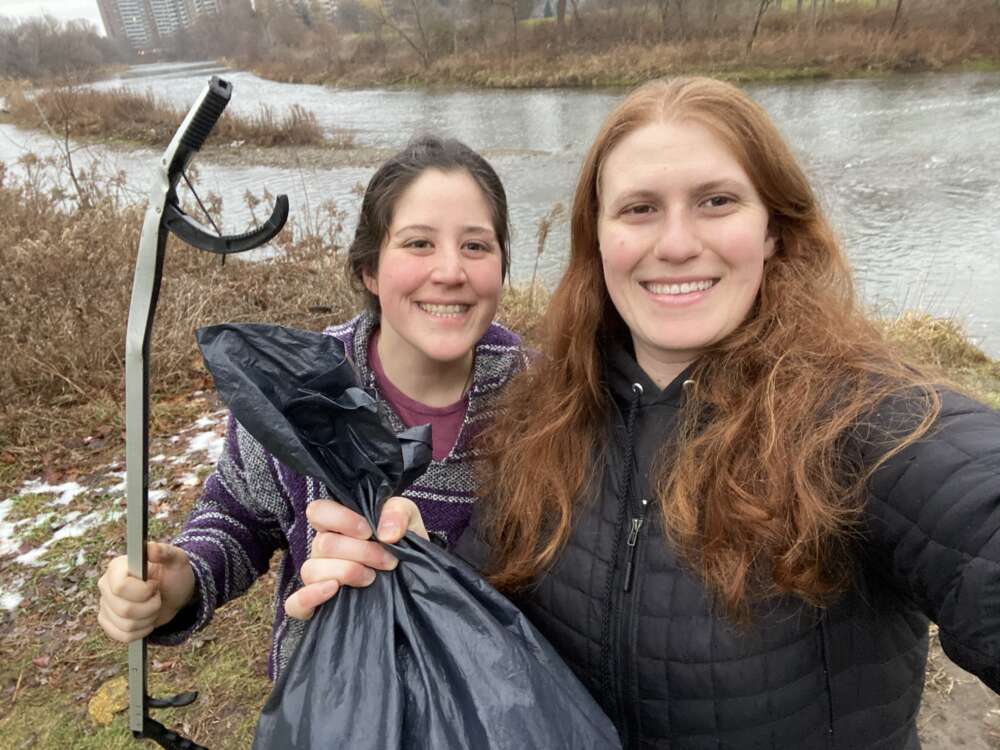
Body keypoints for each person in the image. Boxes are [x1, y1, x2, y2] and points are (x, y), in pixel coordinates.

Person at [304, 78, 1000, 749]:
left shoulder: (857, 421)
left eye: (717, 201)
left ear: (773, 232)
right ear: (599, 239)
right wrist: (410, 574)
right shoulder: (542, 419)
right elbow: (498, 631)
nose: (675, 244)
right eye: (639, 209)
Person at [96, 135, 528, 681]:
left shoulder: (544, 396)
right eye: (418, 244)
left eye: (476, 246)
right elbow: (239, 516)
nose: (449, 271)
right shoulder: (301, 387)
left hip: (490, 706)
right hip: (327, 704)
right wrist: (182, 579)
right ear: (370, 269)